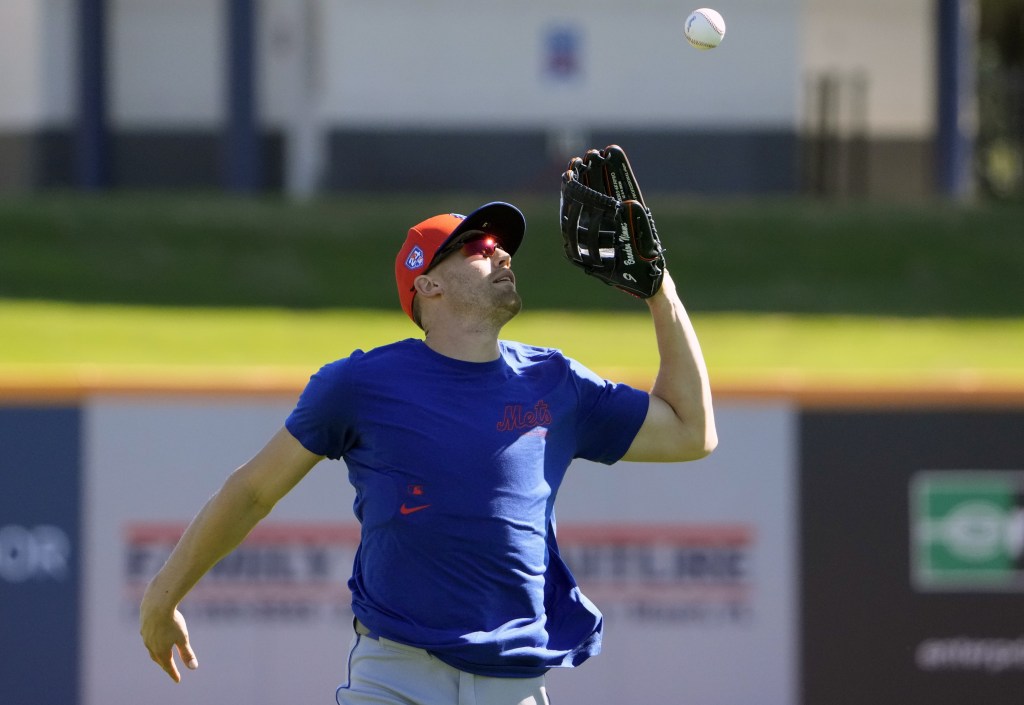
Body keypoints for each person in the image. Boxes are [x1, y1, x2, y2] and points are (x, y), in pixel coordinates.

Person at [139, 200, 717, 705]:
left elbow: (692, 433)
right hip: (395, 676)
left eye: (502, 247)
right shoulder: (360, 384)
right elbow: (252, 491)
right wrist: (163, 599)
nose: (502, 255)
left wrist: (658, 289)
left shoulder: (554, 380)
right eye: (478, 247)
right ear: (428, 284)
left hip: (512, 682)